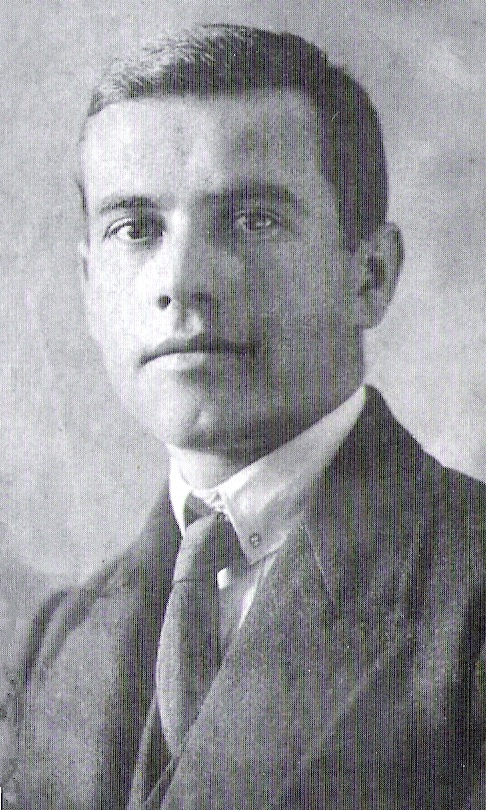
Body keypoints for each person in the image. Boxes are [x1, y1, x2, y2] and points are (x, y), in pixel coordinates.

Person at [3, 23, 486, 810]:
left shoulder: (469, 589)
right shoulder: (57, 640)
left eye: (252, 220)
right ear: (91, 290)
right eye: (135, 228)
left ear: (368, 275)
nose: (181, 280)